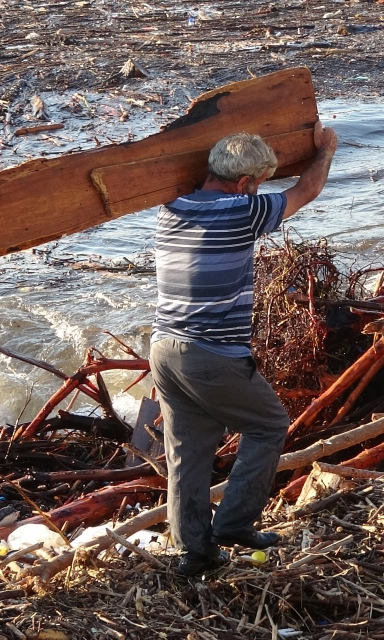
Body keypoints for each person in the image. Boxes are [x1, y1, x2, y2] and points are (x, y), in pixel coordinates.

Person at [150, 121, 337, 576]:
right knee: (269, 425)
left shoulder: (170, 208)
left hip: (163, 349)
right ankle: (234, 524)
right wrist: (326, 150)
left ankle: (195, 553)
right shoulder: (243, 210)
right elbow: (307, 190)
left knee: (187, 452)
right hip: (210, 355)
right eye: (258, 185)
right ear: (245, 184)